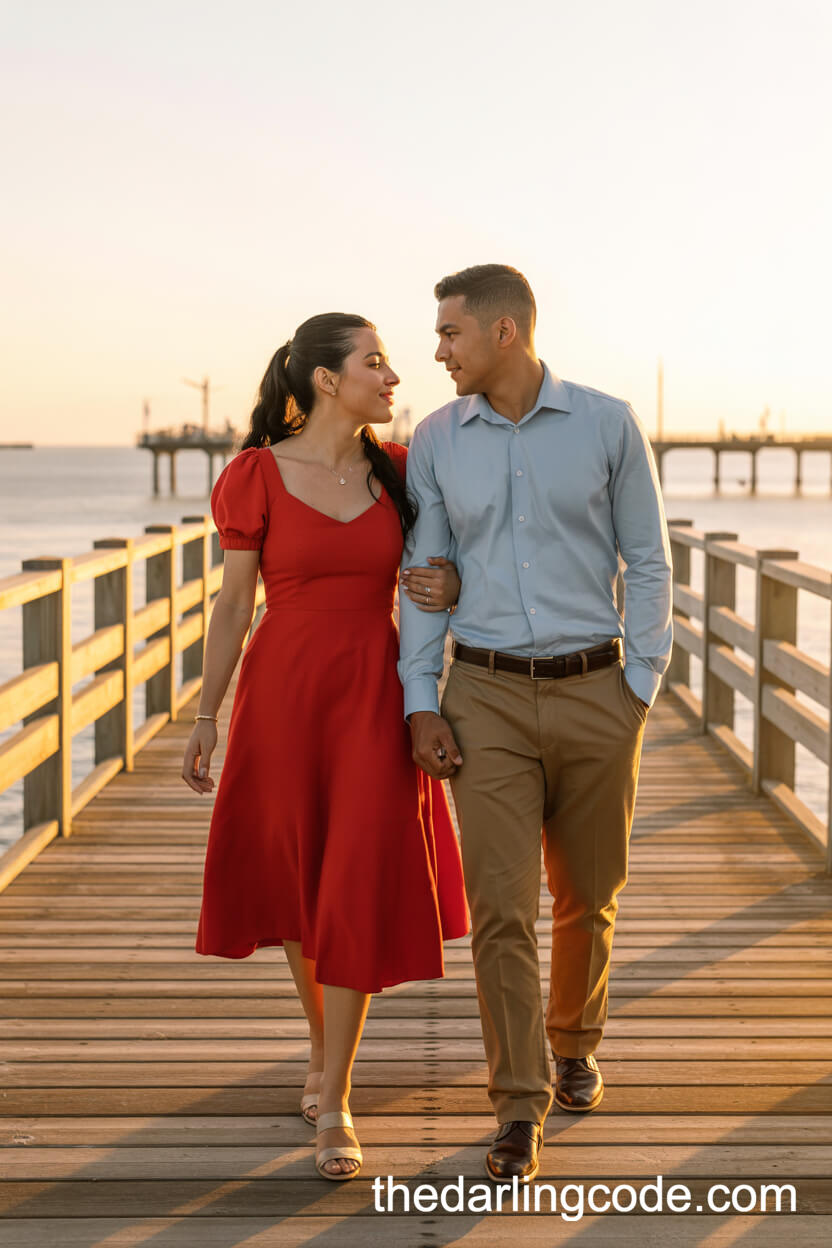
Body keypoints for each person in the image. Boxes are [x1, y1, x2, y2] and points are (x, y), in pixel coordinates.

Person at [397, 264, 673, 1183]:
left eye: (450, 334)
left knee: (589, 896)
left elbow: (649, 558)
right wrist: (421, 698)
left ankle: (575, 1043)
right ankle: (519, 1105)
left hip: (600, 689)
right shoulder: (436, 439)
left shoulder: (606, 422)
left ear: (503, 332)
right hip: (486, 696)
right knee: (502, 911)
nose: (436, 351)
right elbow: (426, 573)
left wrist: (640, 680)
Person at [182, 313, 470, 1181]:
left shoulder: (400, 471)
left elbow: (457, 556)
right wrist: (207, 715)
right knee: (305, 883)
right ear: (324, 381)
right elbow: (234, 606)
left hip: (373, 696)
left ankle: (336, 1096)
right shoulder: (255, 475)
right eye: (374, 362)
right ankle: (322, 1050)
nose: (393, 375)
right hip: (283, 696)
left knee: (354, 879)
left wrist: (451, 580)